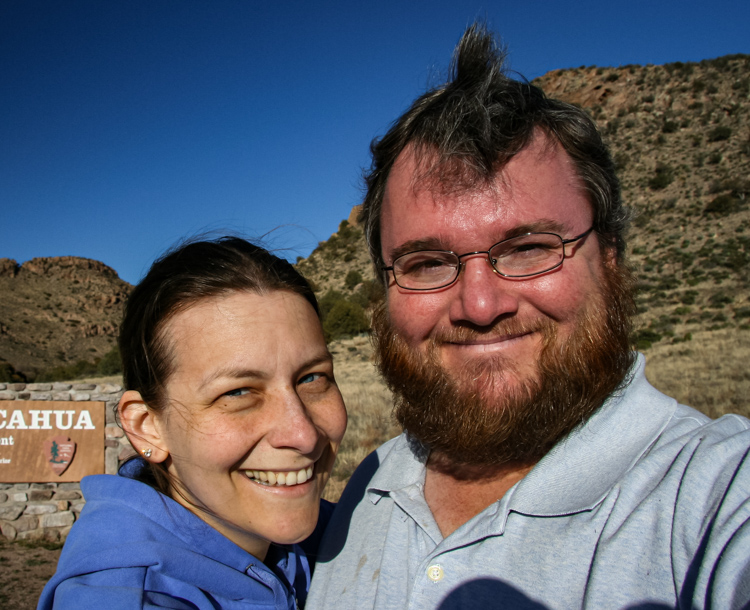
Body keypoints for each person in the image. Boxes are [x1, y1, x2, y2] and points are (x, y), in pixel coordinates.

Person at [306, 24, 750, 609]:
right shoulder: (372, 481)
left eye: (530, 249)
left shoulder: (712, 494)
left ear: (610, 259)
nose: (482, 306)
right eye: (426, 262)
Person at [39, 237, 347, 609]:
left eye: (312, 378)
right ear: (147, 427)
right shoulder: (125, 595)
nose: (303, 434)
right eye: (236, 393)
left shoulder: (343, 529)